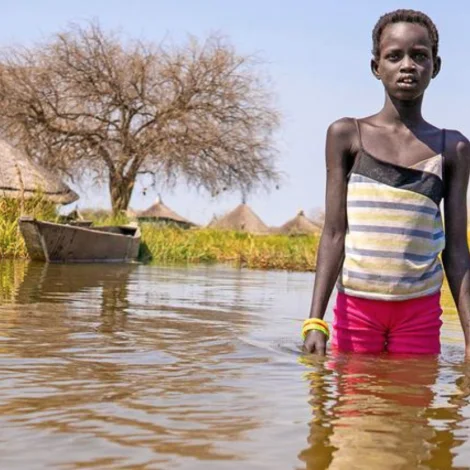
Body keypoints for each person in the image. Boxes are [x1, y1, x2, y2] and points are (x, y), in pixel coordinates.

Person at [303, 9, 470, 357]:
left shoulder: (452, 148)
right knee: (354, 407)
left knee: (413, 404)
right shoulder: (347, 136)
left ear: (435, 67)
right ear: (376, 67)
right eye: (394, 56)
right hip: (357, 308)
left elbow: (456, 251)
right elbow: (334, 233)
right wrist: (315, 322)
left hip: (419, 311)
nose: (407, 65)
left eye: (419, 55)